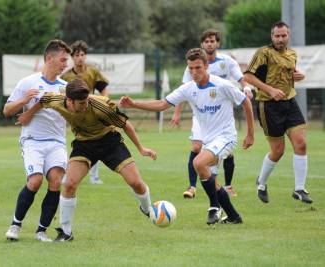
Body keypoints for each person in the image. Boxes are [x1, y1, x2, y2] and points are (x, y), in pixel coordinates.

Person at [120, 48, 254, 224]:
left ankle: (214, 208)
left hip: (226, 137)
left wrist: (250, 134)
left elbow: (245, 101)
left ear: (206, 66)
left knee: (198, 162)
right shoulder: (188, 88)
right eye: (190, 68)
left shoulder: (221, 85)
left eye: (198, 67)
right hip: (209, 140)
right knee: (208, 176)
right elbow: (162, 104)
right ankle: (233, 216)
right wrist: (134, 104)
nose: (194, 72)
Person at [16, 79, 157, 241]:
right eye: (82, 103)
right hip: (84, 144)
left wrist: (141, 148)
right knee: (68, 184)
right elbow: (43, 100)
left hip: (109, 142)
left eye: (87, 100)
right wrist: (28, 113)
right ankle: (66, 232)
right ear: (69, 101)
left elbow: (125, 124)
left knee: (136, 182)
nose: (86, 105)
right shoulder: (56, 100)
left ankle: (147, 208)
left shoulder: (102, 105)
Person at [171, 29, 253, 199]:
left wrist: (245, 87)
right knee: (196, 147)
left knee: (226, 153)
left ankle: (227, 188)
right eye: (206, 41)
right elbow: (182, 91)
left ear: (218, 43)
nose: (209, 44)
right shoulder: (192, 65)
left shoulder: (226, 62)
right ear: (202, 44)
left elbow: (240, 79)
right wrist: (176, 113)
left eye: (212, 41)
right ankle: (193, 186)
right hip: (201, 114)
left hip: (220, 113)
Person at [3, 39, 71, 242]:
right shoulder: (28, 82)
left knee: (56, 182)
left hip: (57, 141)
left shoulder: (65, 87)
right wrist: (24, 100)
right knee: (35, 181)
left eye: (66, 60)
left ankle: (41, 231)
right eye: (62, 59)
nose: (65, 64)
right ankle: (15, 225)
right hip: (32, 140)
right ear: (49, 58)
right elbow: (7, 111)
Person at [244, 21, 312, 204]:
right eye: (277, 36)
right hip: (268, 106)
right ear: (272, 37)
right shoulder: (263, 53)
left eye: (283, 36)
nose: (280, 39)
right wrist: (270, 90)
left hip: (289, 102)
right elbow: (248, 76)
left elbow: (291, 74)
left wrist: (300, 75)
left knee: (301, 144)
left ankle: (299, 189)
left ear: (288, 36)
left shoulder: (292, 54)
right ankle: (262, 183)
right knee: (278, 150)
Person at [61, 40, 109, 185]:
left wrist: (103, 103)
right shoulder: (66, 76)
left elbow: (103, 88)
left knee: (94, 141)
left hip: (91, 112)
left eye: (82, 54)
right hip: (74, 115)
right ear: (72, 57)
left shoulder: (92, 71)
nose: (80, 57)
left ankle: (94, 177)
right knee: (76, 142)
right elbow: (62, 95)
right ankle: (67, 172)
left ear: (85, 56)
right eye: (76, 55)